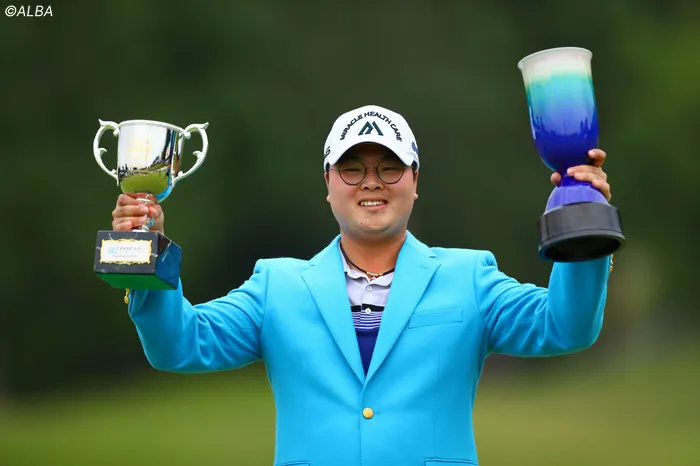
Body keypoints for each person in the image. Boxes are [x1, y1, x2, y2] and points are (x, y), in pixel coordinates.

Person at [112, 104, 614, 466]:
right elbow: (179, 346)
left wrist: (583, 224)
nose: (371, 181)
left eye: (389, 167)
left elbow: (565, 326)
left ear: (415, 180)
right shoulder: (275, 285)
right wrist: (145, 251)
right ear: (328, 184)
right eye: (352, 169)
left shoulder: (471, 276)